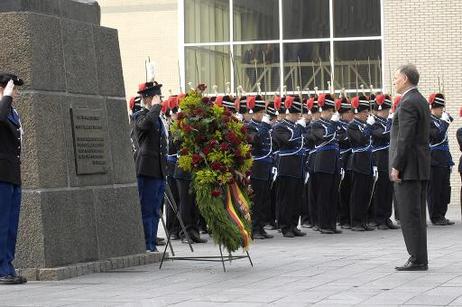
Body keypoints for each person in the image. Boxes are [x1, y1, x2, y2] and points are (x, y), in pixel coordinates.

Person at [390, 64, 430, 271]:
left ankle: (417, 259)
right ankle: (420, 257)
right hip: (419, 166)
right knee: (417, 215)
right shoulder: (420, 100)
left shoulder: (407, 102)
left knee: (409, 215)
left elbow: (404, 138)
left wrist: (397, 165)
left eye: (396, 77)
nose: (394, 81)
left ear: (405, 78)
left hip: (409, 168)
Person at [134, 81, 168, 252]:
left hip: (159, 171)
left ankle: (152, 244)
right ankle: (147, 244)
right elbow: (145, 125)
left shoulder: (158, 118)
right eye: (156, 97)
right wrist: (154, 108)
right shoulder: (139, 116)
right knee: (146, 208)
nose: (159, 101)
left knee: (155, 210)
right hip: (147, 170)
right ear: (147, 99)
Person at [0, 73, 27, 285]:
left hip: (12, 175)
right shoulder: (3, 108)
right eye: (12, 89)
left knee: (10, 225)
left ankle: (7, 266)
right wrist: (5, 97)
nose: (15, 93)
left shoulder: (12, 112)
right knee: (1, 223)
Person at [272, 96, 306, 238]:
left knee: (296, 198)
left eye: (298, 115)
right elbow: (289, 141)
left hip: (298, 166)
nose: (297, 117)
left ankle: (293, 224)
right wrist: (299, 127)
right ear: (289, 113)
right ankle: (285, 226)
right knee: (286, 198)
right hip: (286, 166)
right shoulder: (280, 127)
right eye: (295, 114)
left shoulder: (294, 127)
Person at [310, 94, 342, 234]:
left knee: (333, 195)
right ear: (322, 111)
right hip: (323, 163)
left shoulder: (332, 124)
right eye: (329, 111)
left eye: (331, 111)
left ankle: (332, 223)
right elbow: (325, 137)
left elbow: (342, 136)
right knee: (323, 195)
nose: (331, 113)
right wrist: (334, 124)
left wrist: (335, 124)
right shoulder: (316, 124)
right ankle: (323, 224)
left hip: (334, 162)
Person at [246, 96, 274, 239]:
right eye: (261, 112)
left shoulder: (264, 126)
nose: (263, 114)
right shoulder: (249, 126)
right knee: (256, 200)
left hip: (266, 166)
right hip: (256, 166)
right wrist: (264, 126)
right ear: (256, 112)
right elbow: (255, 141)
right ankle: (254, 228)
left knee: (264, 199)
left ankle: (261, 227)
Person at [348, 96, 376, 231]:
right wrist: (369, 126)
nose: (367, 114)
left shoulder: (365, 125)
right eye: (364, 112)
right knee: (357, 194)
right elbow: (361, 139)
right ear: (357, 112)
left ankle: (363, 220)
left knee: (366, 193)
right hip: (358, 162)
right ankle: (356, 222)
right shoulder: (353, 126)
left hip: (368, 162)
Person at [371, 94, 399, 230]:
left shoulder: (387, 122)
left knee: (389, 190)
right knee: (380, 190)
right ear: (379, 109)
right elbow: (383, 134)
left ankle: (387, 216)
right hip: (379, 158)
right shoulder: (374, 123)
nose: (388, 112)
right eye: (385, 109)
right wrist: (391, 123)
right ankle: (379, 219)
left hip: (389, 158)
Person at [427, 93, 455, 226]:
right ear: (433, 107)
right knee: (435, 190)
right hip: (434, 160)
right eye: (439, 108)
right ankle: (435, 216)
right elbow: (437, 136)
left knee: (445, 189)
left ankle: (442, 214)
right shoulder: (428, 121)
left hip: (444, 159)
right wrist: (444, 122)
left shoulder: (440, 120)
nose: (442, 110)